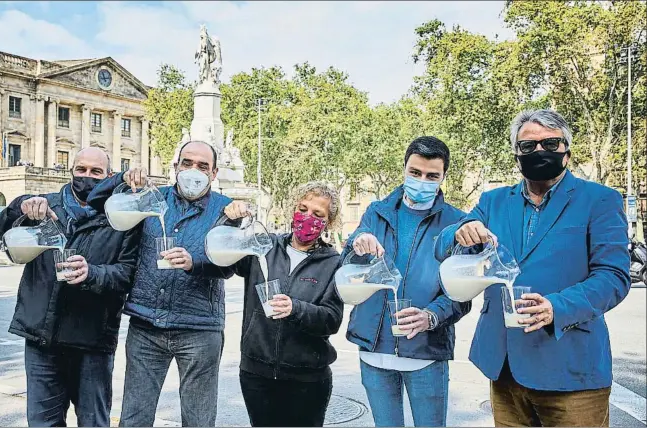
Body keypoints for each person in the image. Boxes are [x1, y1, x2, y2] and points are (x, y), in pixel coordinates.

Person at [434, 109, 630, 427]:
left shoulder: (600, 200)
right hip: (506, 367)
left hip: (571, 370)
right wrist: (460, 230)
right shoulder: (493, 201)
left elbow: (614, 276)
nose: (539, 151)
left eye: (550, 144)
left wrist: (558, 306)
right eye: (528, 146)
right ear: (516, 155)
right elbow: (442, 245)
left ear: (566, 150)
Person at [0, 147, 140, 427]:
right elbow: (0, 230)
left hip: (92, 340)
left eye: (96, 172)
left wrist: (92, 273)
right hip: (41, 338)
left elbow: (127, 274)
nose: (87, 176)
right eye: (81, 170)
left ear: (109, 176)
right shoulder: (45, 205)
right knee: (42, 423)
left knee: (93, 422)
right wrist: (19, 207)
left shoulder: (121, 217)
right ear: (71, 171)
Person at [89, 140, 234, 427]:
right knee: (134, 417)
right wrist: (121, 179)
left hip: (200, 329)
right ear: (176, 167)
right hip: (146, 326)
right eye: (187, 163)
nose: (194, 170)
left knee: (198, 420)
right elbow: (97, 204)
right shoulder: (151, 198)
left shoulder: (225, 210)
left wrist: (196, 262)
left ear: (214, 173)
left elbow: (234, 266)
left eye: (203, 166)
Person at [343, 136, 471, 427]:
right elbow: (347, 263)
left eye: (431, 176)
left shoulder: (457, 223)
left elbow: (462, 293)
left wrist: (431, 317)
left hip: (426, 354)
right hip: (374, 352)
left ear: (443, 177)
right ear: (404, 169)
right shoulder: (376, 212)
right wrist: (356, 243)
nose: (422, 181)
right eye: (415, 173)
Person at [222, 182, 344, 427]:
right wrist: (229, 221)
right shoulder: (263, 246)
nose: (307, 217)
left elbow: (331, 319)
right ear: (293, 209)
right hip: (256, 373)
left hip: (308, 379)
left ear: (328, 222)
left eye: (318, 214)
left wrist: (296, 309)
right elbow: (223, 258)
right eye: (303, 208)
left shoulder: (333, 263)